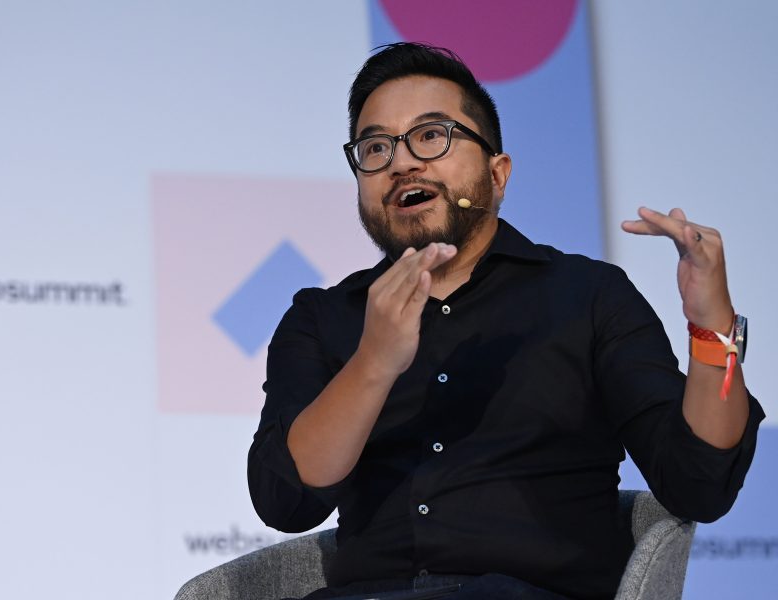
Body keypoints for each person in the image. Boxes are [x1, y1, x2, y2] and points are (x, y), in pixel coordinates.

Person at [247, 43, 763, 600]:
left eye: (430, 136)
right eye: (376, 147)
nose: (400, 163)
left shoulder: (586, 295)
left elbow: (697, 484)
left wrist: (711, 323)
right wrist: (372, 364)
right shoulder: (323, 318)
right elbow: (287, 500)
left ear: (498, 174)